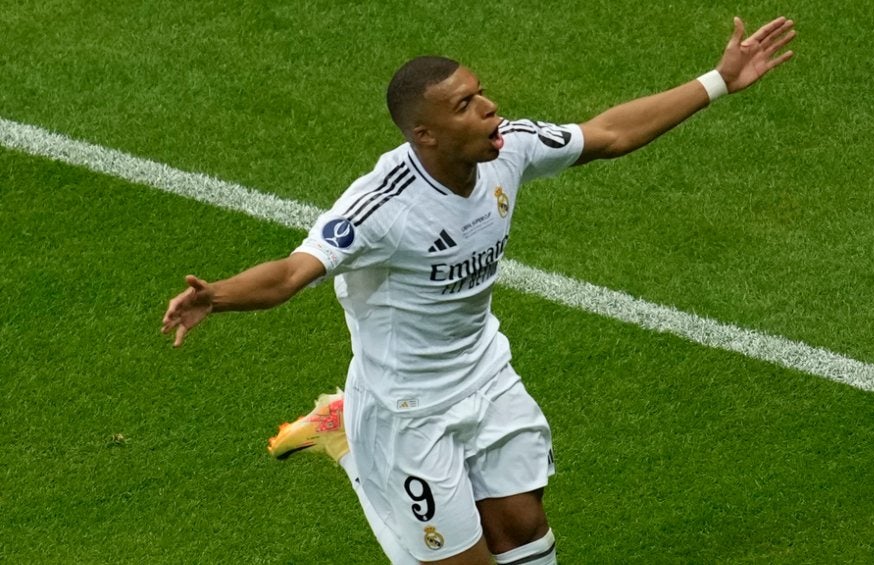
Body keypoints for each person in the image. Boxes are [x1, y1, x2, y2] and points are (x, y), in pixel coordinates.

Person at [162, 15, 796, 565]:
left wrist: (718, 81)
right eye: (465, 105)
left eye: (481, 93)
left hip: (483, 374)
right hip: (406, 410)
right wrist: (215, 295)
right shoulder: (384, 205)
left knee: (522, 525)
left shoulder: (508, 149)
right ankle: (348, 441)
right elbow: (292, 272)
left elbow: (608, 135)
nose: (489, 108)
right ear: (425, 135)